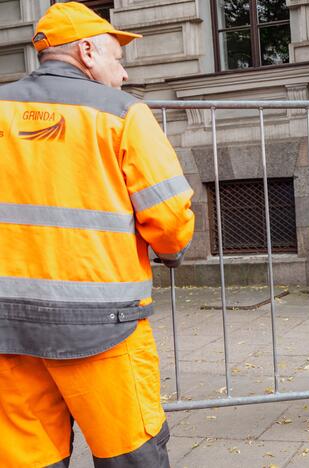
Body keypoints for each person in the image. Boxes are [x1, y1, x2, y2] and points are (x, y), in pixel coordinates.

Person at [0, 3, 194, 466]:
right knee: (131, 453)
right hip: (103, 325)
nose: (123, 73)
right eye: (117, 58)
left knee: (26, 458)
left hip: (8, 326)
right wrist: (171, 251)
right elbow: (168, 217)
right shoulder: (123, 113)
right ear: (87, 51)